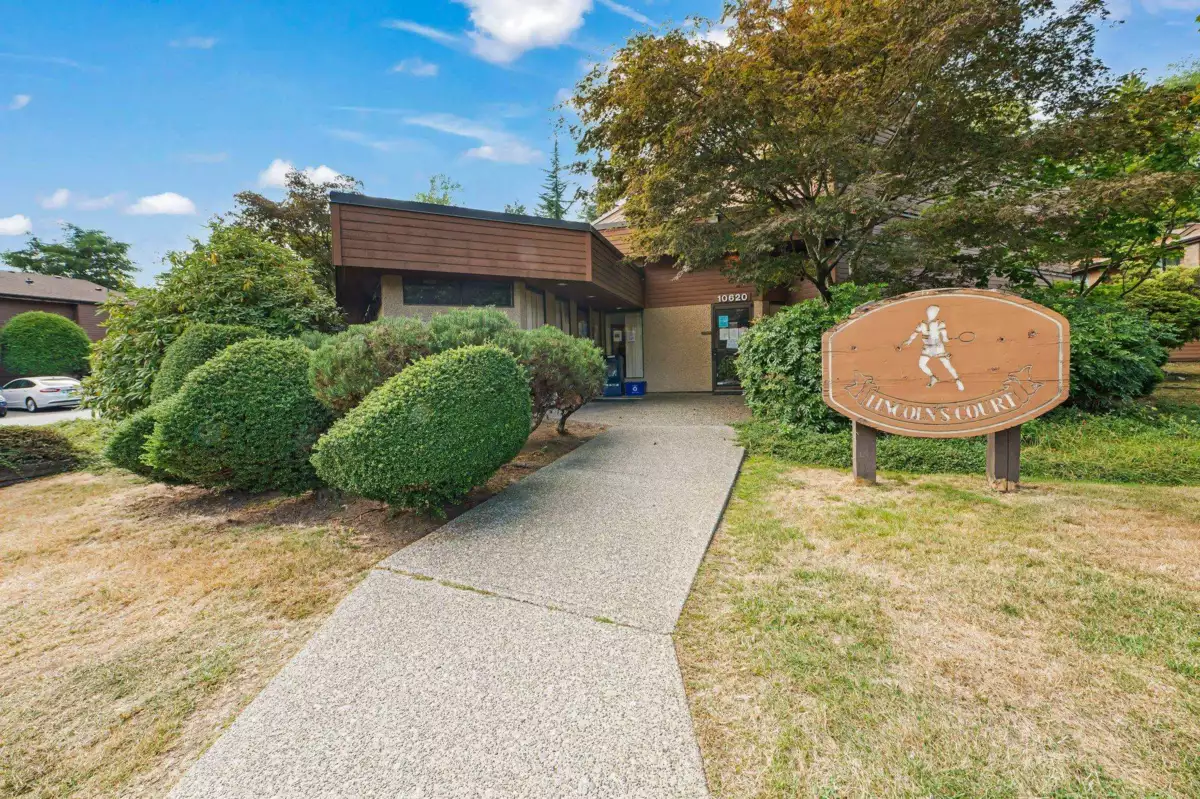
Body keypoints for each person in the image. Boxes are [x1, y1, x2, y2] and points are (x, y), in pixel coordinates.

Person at [898, 304, 965, 391]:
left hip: (937, 347)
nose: (931, 314)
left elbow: (943, 333)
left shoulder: (938, 323)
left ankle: (957, 380)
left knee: (946, 364)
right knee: (922, 364)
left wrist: (945, 338)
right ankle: (933, 377)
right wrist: (909, 340)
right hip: (928, 348)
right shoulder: (924, 324)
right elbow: (915, 333)